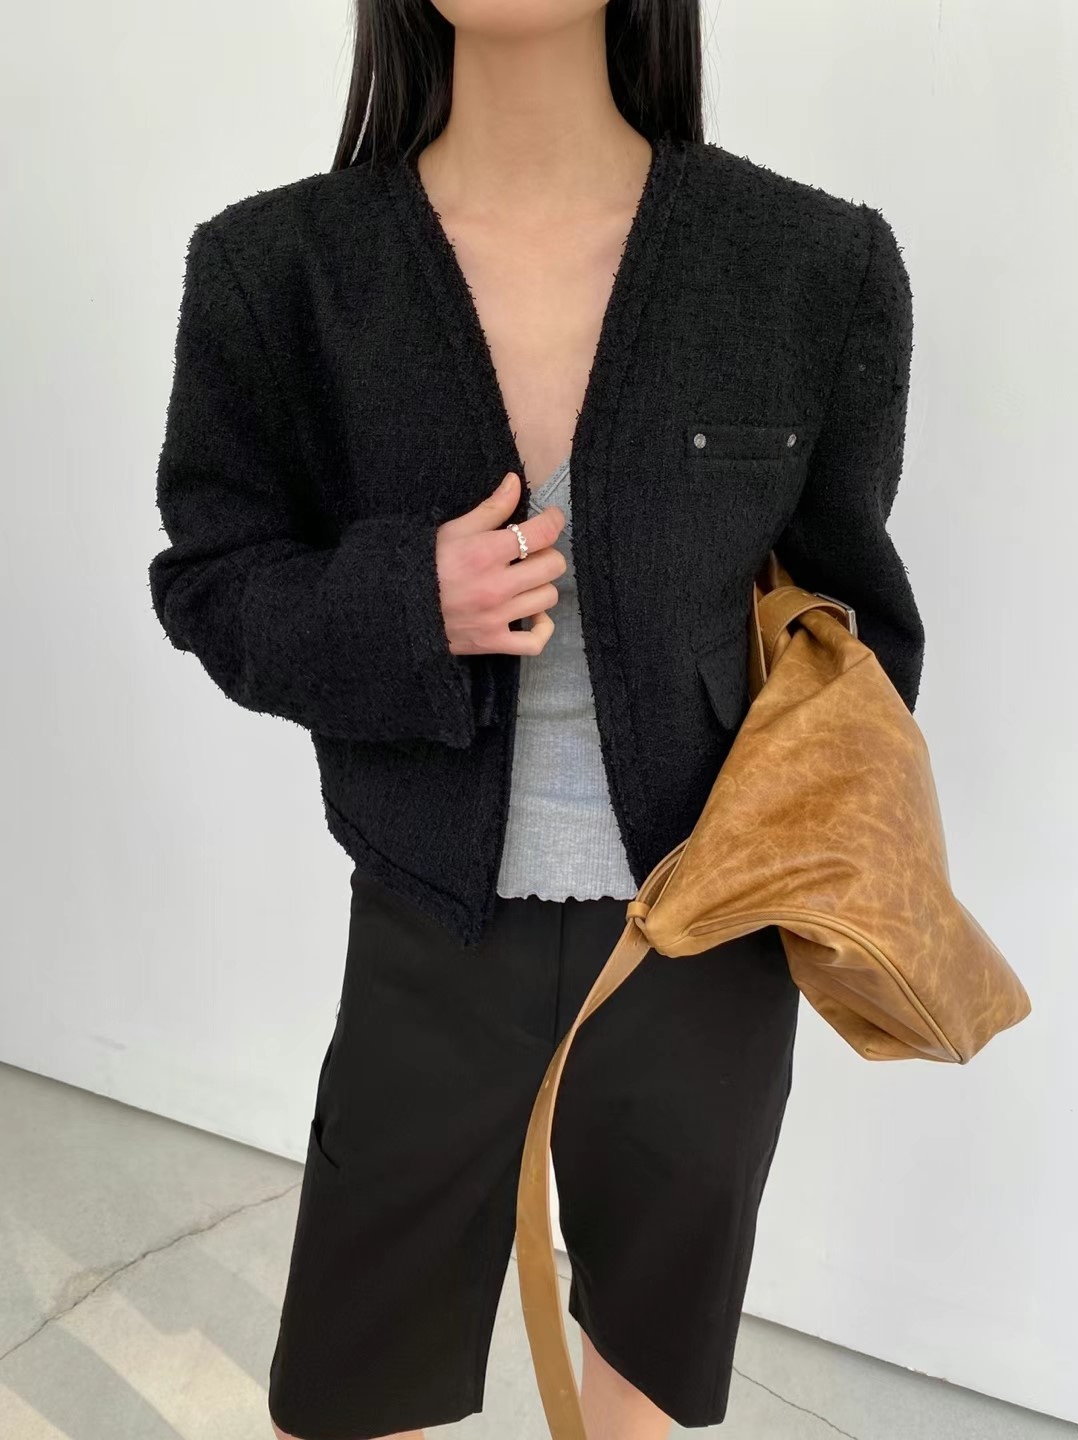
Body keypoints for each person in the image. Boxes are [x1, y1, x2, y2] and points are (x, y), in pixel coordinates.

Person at [148, 3, 925, 1437]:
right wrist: (407, 603)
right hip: (426, 928)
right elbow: (211, 582)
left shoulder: (810, 265)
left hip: (705, 939)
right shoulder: (279, 270)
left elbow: (852, 631)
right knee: (348, 1388)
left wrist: (798, 852)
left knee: (641, 1388)